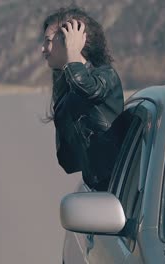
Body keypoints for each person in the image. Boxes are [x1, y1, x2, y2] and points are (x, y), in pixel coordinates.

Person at [41, 6, 124, 191]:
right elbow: (69, 162)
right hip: (97, 189)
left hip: (118, 190)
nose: (43, 49)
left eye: (48, 41)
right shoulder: (68, 87)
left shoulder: (105, 76)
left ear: (72, 40)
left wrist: (72, 54)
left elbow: (89, 90)